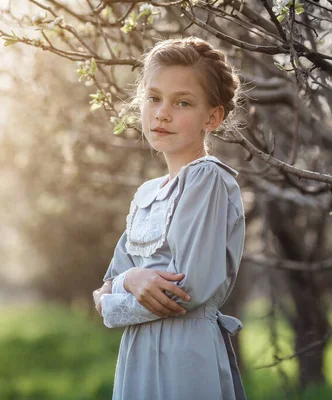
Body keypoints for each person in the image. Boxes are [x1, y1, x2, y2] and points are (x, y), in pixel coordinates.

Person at [92, 36, 246, 400]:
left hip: (184, 353)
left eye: (183, 102)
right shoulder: (147, 193)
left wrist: (116, 294)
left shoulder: (207, 178)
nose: (162, 113)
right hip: (137, 353)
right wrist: (131, 278)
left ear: (212, 116)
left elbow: (184, 292)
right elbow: (108, 284)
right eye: (154, 98)